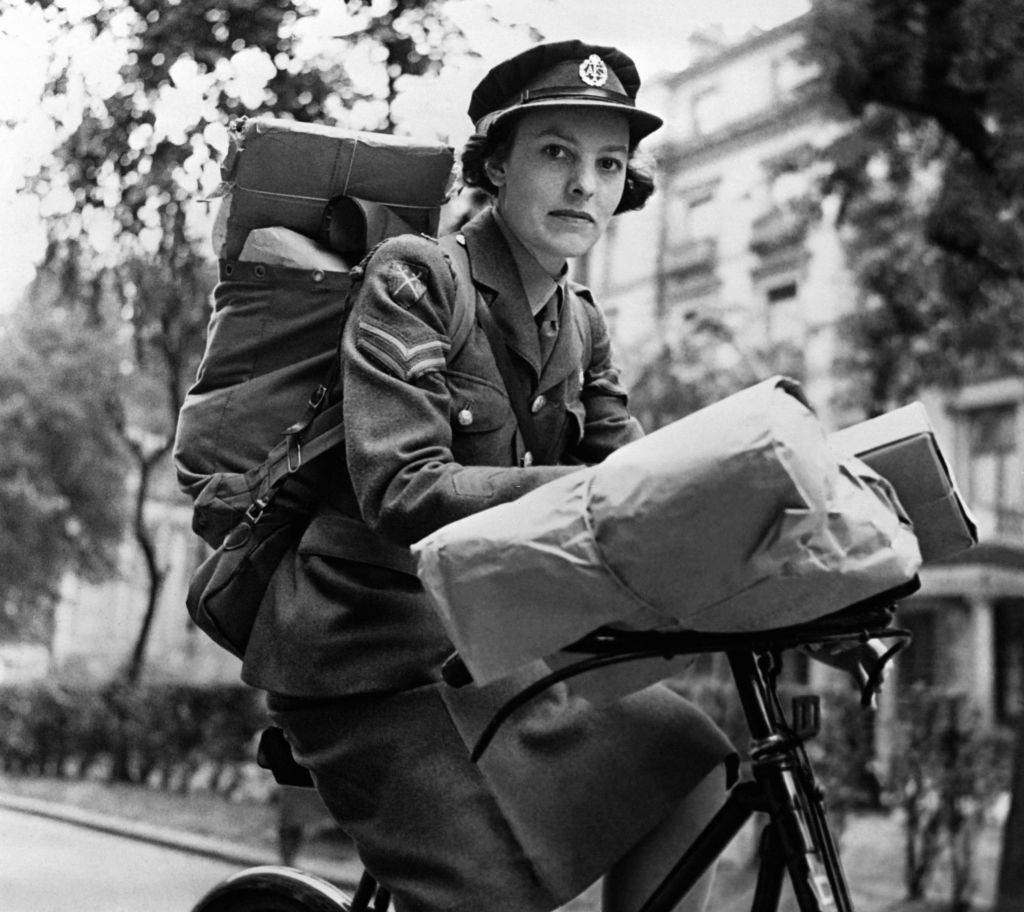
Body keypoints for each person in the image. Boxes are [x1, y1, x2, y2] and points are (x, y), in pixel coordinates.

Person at [241, 40, 738, 912]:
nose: (585, 184)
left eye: (609, 163)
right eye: (556, 153)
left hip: (487, 647)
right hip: (367, 649)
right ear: (496, 165)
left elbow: (633, 486)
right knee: (498, 890)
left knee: (698, 761)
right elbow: (404, 489)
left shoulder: (582, 326)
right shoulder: (418, 278)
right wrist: (584, 491)